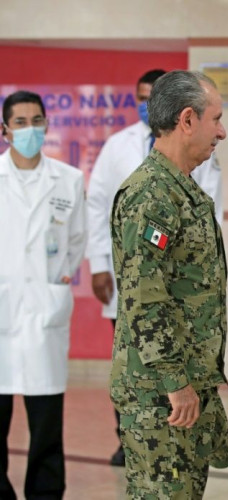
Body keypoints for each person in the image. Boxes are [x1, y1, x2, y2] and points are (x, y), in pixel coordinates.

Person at [86, 68, 223, 466]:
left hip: (185, 373)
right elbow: (146, 298)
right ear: (186, 121)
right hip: (161, 389)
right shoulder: (151, 194)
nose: (221, 132)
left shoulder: (183, 181)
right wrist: (175, 383)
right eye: (216, 120)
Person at [0, 91, 86, 500]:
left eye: (37, 120)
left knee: (47, 428)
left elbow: (76, 242)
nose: (30, 129)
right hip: (2, 315)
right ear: (5, 130)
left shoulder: (68, 179)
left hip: (44, 317)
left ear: (47, 124)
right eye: (20, 122)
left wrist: (57, 281)